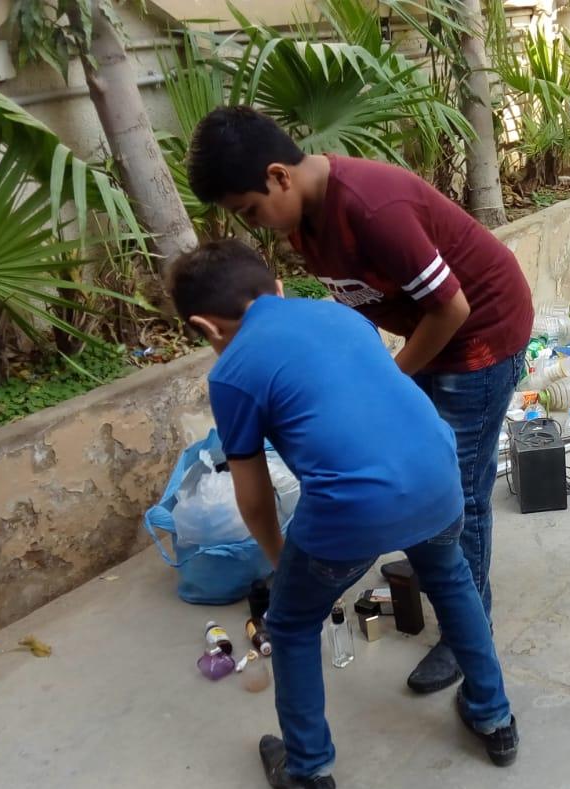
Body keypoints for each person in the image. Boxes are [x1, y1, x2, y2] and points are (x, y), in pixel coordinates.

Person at [166, 239, 519, 789]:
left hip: (354, 508)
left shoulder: (232, 371)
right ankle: (495, 718)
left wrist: (284, 563)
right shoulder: (338, 314)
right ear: (277, 288)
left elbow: (252, 495)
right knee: (450, 576)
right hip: (438, 473)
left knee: (293, 620)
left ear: (206, 326)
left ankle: (308, 771)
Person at [186, 107, 532, 696]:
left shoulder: (373, 209)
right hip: (431, 336)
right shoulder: (303, 218)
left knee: (461, 489)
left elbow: (453, 309)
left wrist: (388, 379)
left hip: (479, 338)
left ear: (279, 176)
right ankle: (441, 568)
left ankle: (466, 631)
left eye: (250, 210)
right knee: (415, 464)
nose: (260, 227)